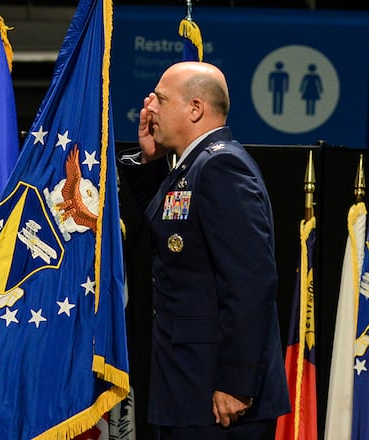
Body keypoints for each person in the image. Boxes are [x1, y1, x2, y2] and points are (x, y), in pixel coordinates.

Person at [117, 61, 290, 439]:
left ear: (195, 109)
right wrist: (149, 162)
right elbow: (171, 234)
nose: (149, 110)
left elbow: (251, 283)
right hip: (190, 387)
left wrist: (236, 381)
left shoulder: (221, 166)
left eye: (161, 100)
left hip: (219, 395)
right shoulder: (193, 165)